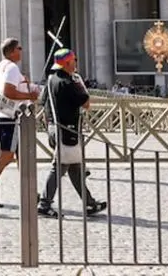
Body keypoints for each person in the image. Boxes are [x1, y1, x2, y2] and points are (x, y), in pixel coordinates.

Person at [37, 48, 107, 217]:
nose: (76, 62)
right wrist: (80, 84)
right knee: (59, 167)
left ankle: (89, 203)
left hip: (53, 128)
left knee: (75, 167)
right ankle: (44, 204)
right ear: (67, 63)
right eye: (74, 60)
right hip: (66, 130)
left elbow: (43, 103)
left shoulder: (50, 80)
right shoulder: (68, 82)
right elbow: (86, 103)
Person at [0, 38, 39, 207]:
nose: (21, 51)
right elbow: (8, 92)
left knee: (21, 156)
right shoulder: (12, 68)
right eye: (19, 48)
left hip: (2, 114)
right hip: (10, 117)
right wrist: (30, 95)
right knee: (6, 156)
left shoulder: (1, 66)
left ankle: (31, 192)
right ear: (12, 51)